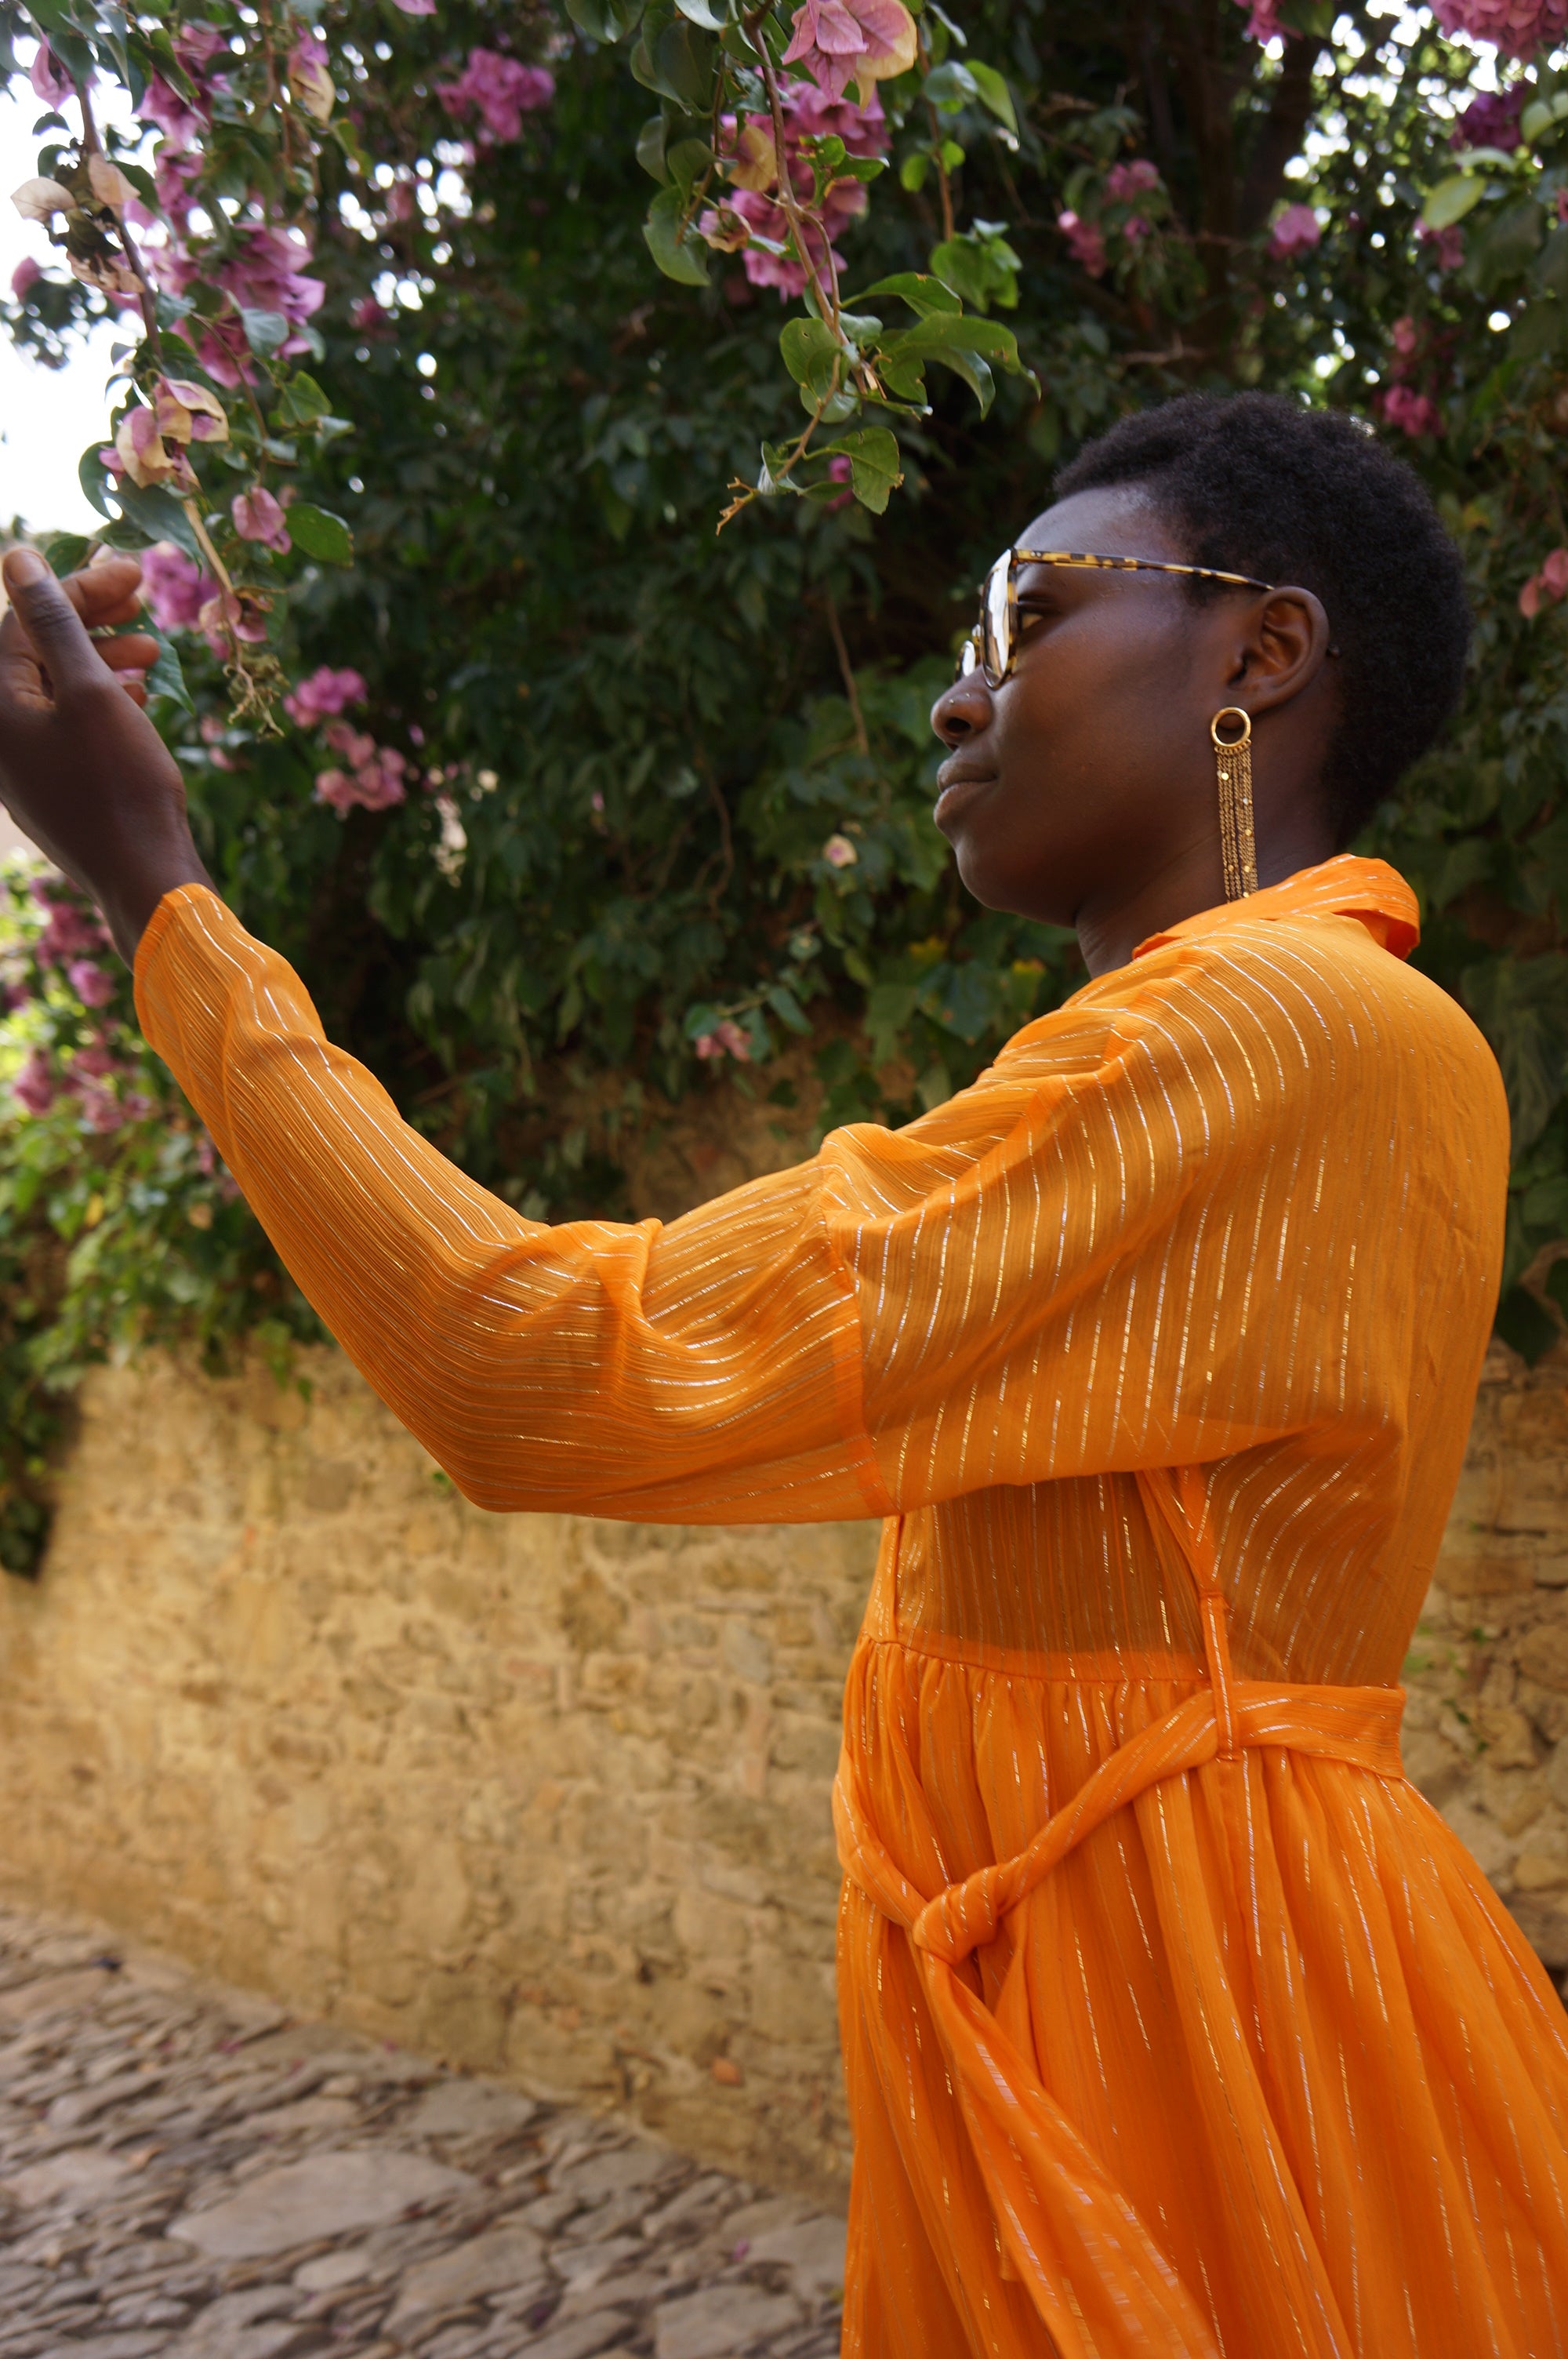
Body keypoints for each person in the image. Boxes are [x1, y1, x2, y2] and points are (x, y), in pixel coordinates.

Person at [0, 390, 1564, 2357]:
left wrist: (155, 884)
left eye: (1032, 611)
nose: (956, 692)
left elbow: (533, 1366)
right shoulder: (1280, 1033)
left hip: (1201, 2024)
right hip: (1139, 1970)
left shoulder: (1275, 1025)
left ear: (1258, 651)